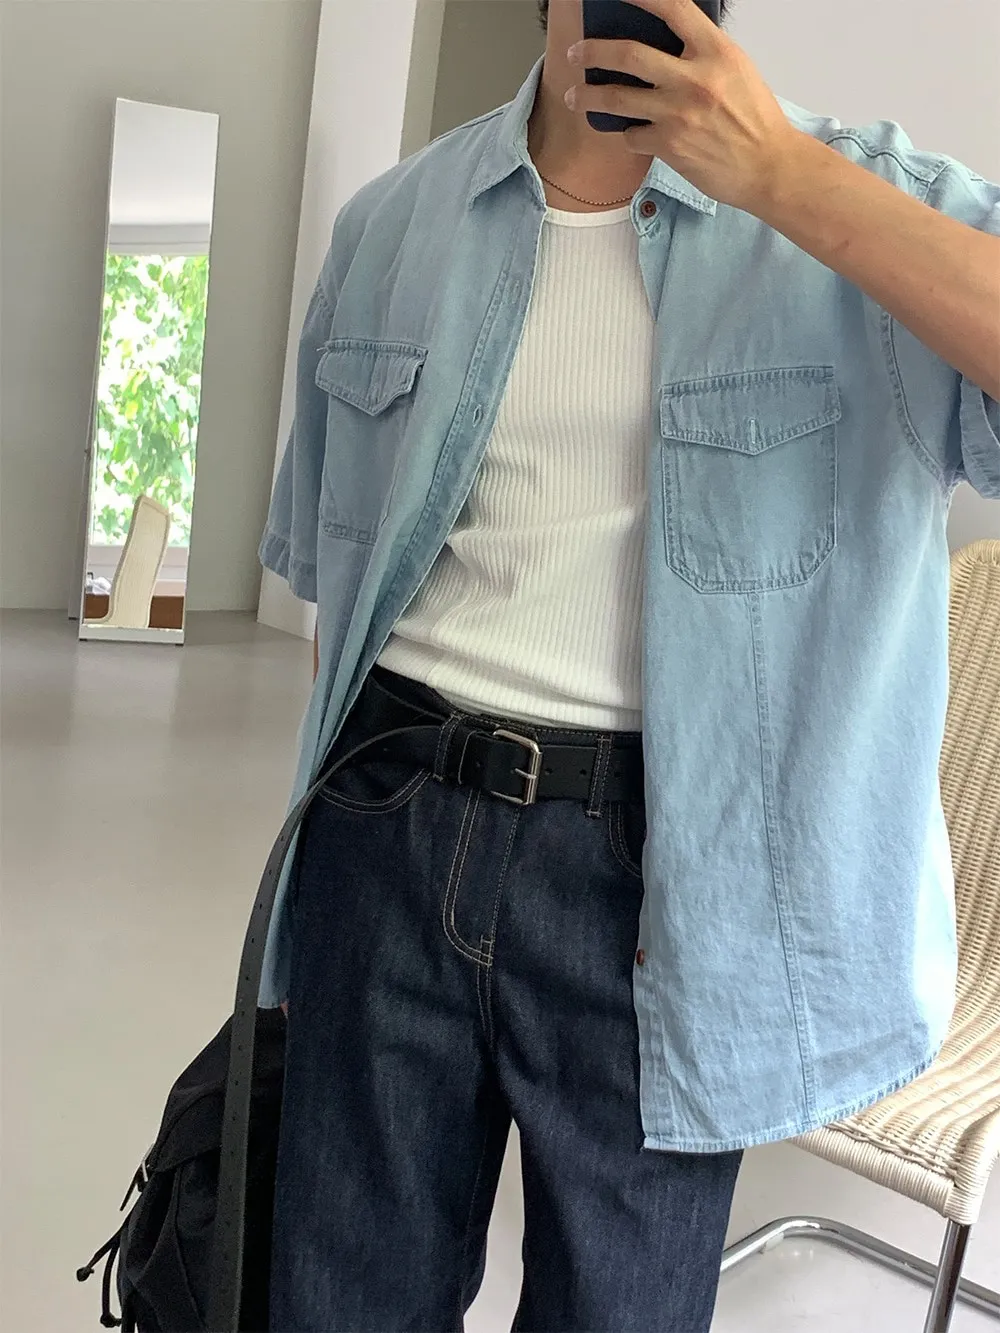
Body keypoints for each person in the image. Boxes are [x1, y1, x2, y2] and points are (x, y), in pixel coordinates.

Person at [259, 0, 1000, 1327]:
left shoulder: (878, 202)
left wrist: (780, 177)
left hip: (675, 884)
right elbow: (336, 582)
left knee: (622, 1309)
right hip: (387, 817)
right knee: (338, 1299)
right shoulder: (394, 222)